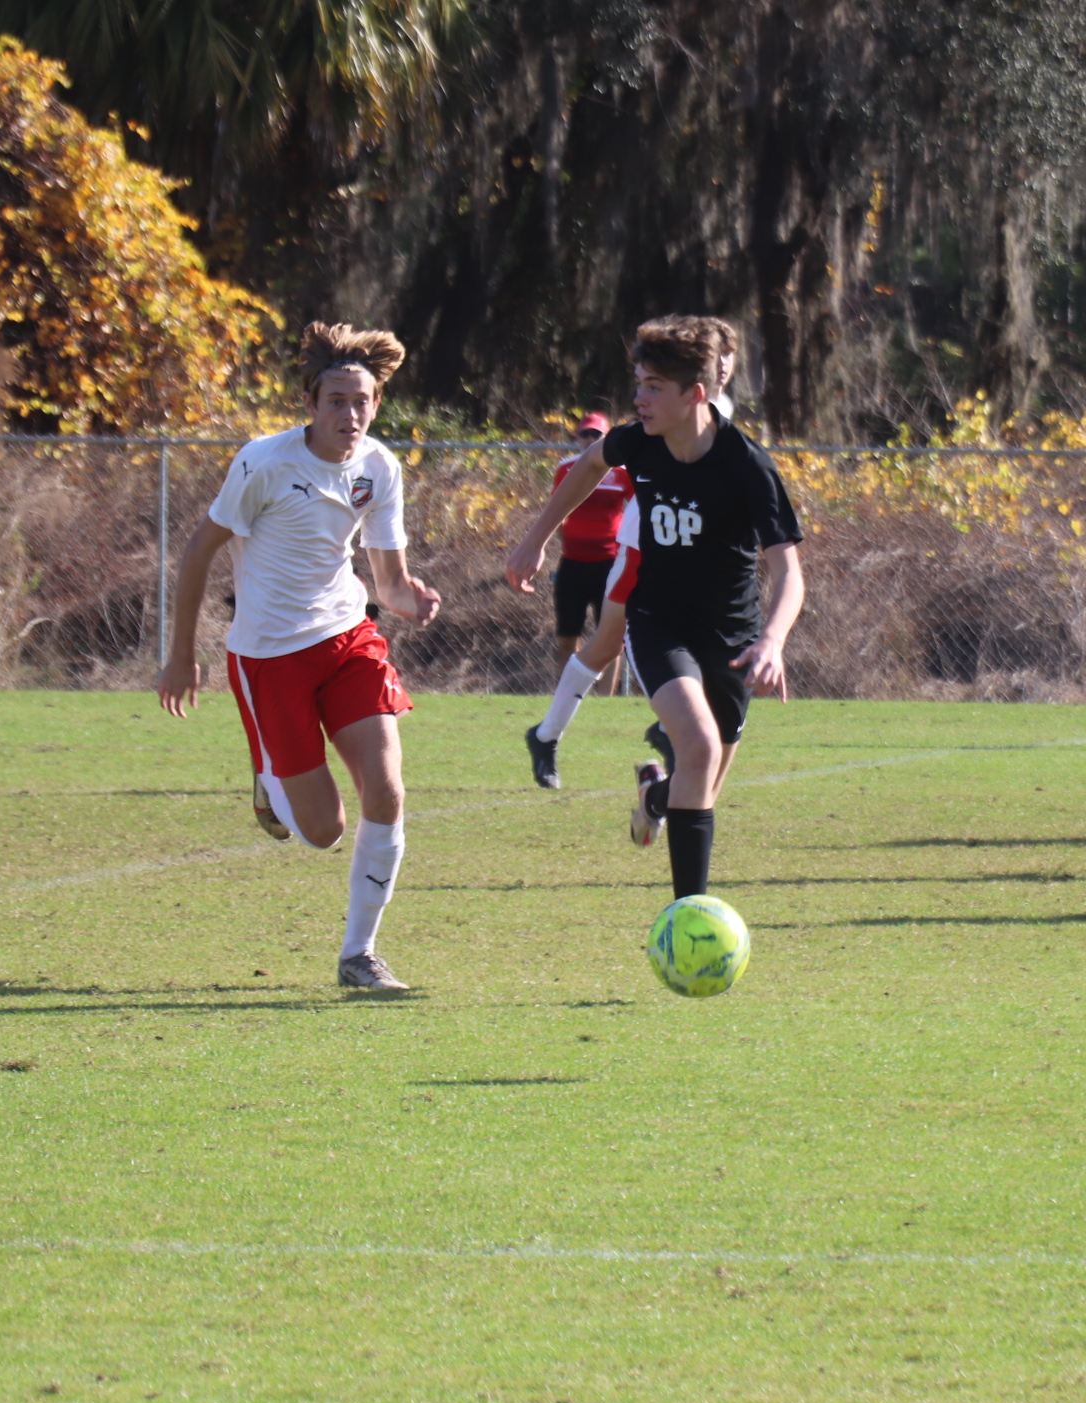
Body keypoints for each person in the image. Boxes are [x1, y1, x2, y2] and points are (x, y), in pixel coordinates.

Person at [156, 323, 442, 990]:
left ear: (377, 404)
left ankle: (360, 955)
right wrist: (180, 657)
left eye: (362, 401)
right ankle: (271, 778)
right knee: (322, 832)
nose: (351, 414)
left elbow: (389, 578)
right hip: (269, 657)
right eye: (337, 401)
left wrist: (408, 598)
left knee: (387, 786)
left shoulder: (380, 466)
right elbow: (199, 551)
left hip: (348, 638)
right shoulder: (265, 463)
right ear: (311, 405)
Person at [509, 317, 805, 904]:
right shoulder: (638, 441)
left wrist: (772, 641)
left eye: (653, 387)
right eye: (638, 383)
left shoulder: (748, 466)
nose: (639, 399)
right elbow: (590, 464)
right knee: (696, 746)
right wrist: (537, 536)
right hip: (659, 625)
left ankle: (654, 798)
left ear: (695, 394)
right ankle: (688, 915)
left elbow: (790, 572)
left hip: (733, 638)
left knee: (705, 780)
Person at [515, 319, 740, 785]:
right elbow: (596, 459)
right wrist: (536, 538)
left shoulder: (720, 414)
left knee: (651, 644)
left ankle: (666, 739)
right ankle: (552, 733)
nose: (722, 364)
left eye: (728, 355)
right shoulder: (665, 410)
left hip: (694, 557)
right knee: (607, 642)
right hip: (645, 547)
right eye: (716, 353)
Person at [521, 412, 631, 787]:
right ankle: (565, 700)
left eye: (596, 434)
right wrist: (536, 542)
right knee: (568, 635)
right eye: (585, 433)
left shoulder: (624, 469)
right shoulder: (568, 468)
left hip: (609, 561)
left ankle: (604, 700)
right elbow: (559, 509)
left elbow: (636, 509)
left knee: (610, 637)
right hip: (572, 560)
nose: (589, 439)